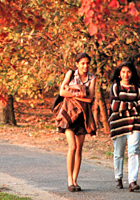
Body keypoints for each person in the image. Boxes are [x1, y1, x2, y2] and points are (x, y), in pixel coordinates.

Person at [53, 52, 96, 192]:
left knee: (79, 149)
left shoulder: (92, 78)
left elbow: (90, 99)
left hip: (83, 116)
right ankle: (69, 180)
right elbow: (62, 92)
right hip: (69, 115)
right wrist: (78, 91)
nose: (85, 66)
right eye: (82, 63)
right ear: (77, 64)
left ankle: (75, 180)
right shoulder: (70, 74)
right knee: (72, 146)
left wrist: (72, 93)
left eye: (87, 63)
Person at [108, 61, 140, 192]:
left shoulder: (137, 88)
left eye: (128, 72)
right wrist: (133, 105)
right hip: (118, 124)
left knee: (133, 151)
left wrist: (125, 105)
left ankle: (132, 181)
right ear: (119, 74)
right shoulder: (115, 87)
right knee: (119, 153)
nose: (126, 74)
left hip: (134, 123)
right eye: (123, 72)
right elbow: (114, 106)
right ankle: (118, 177)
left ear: (132, 73)